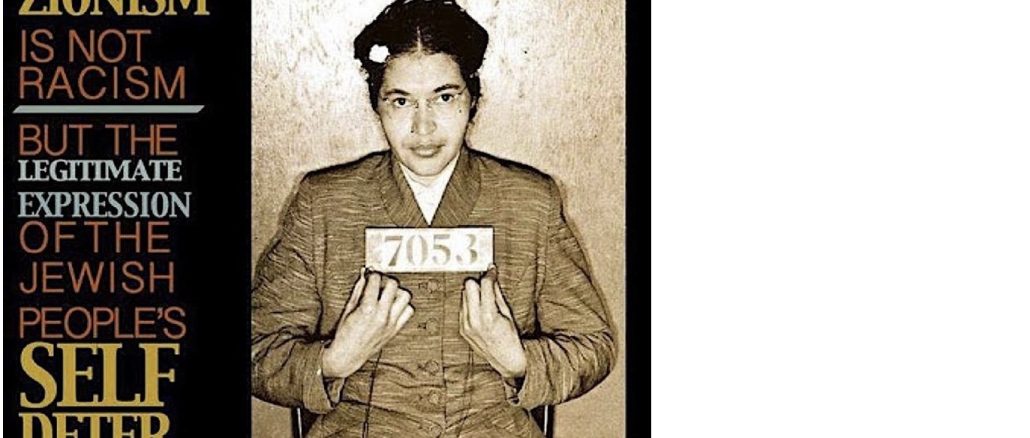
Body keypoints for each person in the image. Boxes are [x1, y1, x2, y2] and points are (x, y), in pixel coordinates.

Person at [250, 1, 615, 436]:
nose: (423, 128)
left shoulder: (530, 202)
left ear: (472, 99)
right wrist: (334, 360)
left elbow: (593, 346)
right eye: (401, 101)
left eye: (444, 97)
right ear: (377, 106)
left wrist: (517, 360)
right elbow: (257, 351)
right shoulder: (322, 203)